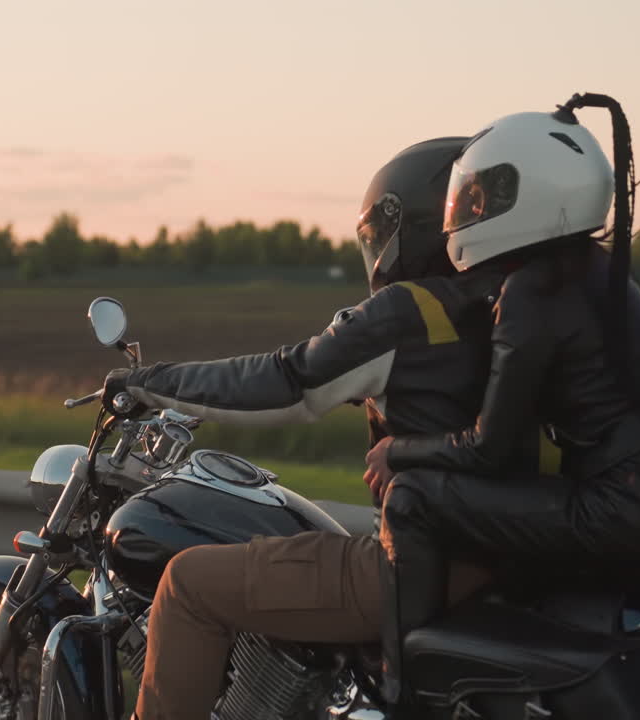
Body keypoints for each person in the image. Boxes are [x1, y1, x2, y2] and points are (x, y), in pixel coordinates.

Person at [101, 136, 514, 720]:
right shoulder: (514, 306)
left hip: (423, 565)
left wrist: (147, 382)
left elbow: (285, 383)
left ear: (413, 225)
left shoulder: (409, 313)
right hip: (514, 551)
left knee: (188, 585)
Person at [371, 95, 640, 705]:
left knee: (410, 500)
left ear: (529, 195)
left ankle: (405, 693)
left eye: (482, 197)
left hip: (627, 507)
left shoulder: (530, 291)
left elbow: (488, 447)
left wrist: (396, 451)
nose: (465, 211)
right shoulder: (596, 270)